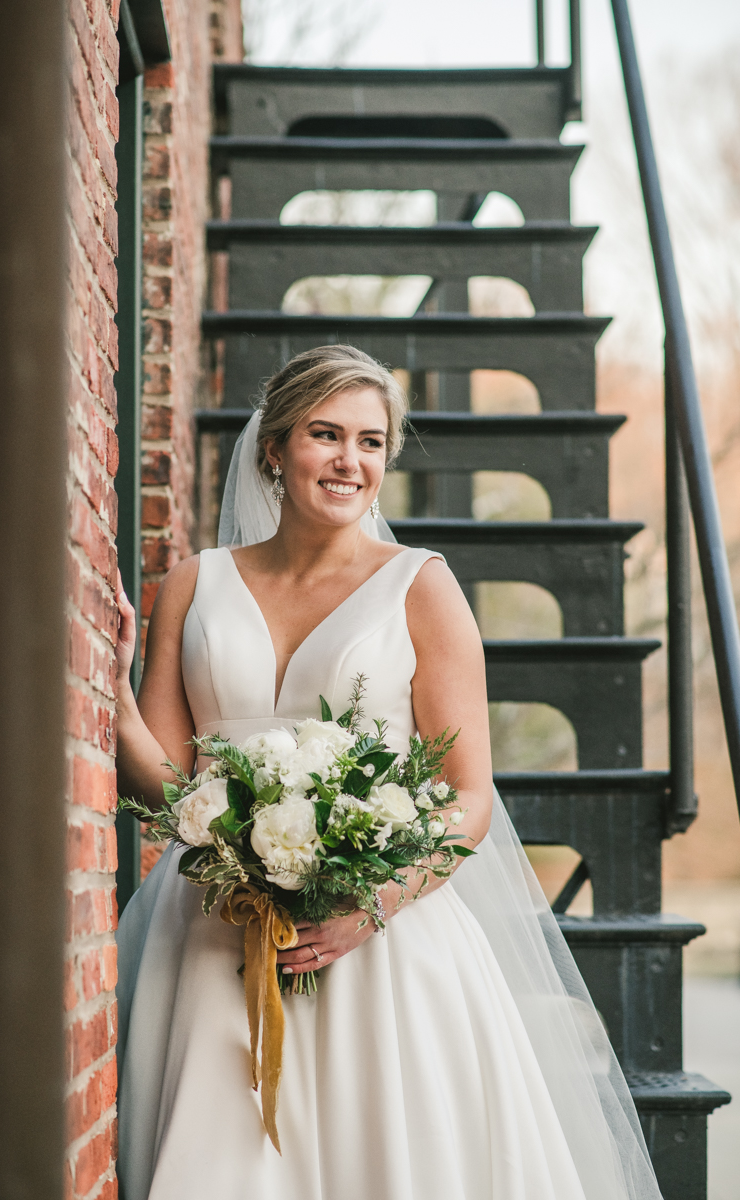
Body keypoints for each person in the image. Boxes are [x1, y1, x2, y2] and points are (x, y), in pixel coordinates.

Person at [115, 345, 662, 1200]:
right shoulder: (193, 584)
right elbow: (164, 777)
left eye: (371, 443)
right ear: (273, 447)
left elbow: (471, 798)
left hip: (377, 939)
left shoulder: (421, 587)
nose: (349, 461)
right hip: (220, 928)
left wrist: (373, 905)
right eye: (325, 435)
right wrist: (108, 704)